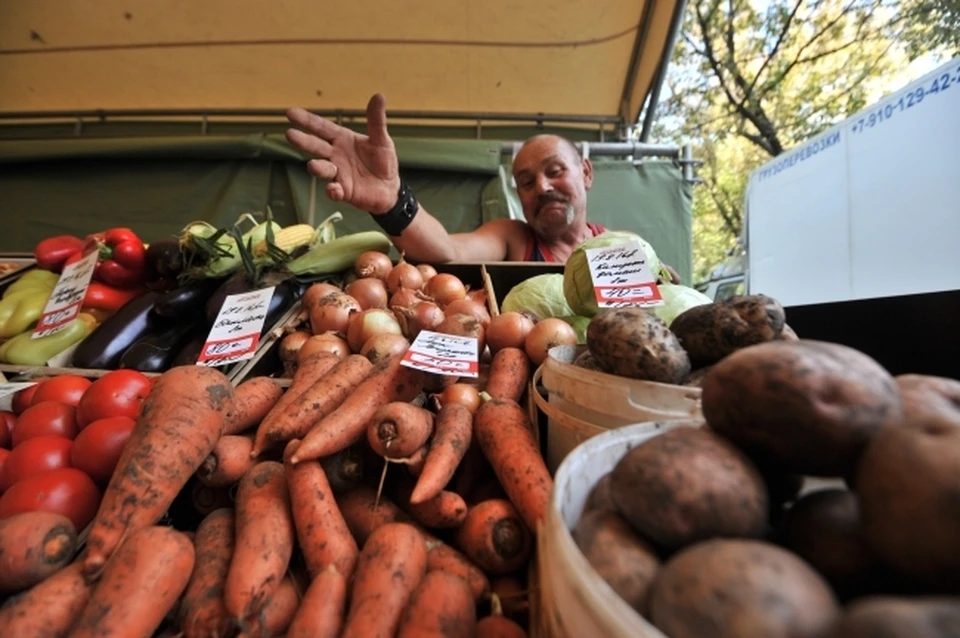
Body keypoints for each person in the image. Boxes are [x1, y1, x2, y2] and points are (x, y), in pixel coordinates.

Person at [286, 94, 680, 279]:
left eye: (555, 171)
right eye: (525, 182)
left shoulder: (620, 246)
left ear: (587, 173)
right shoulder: (514, 239)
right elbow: (448, 252)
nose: (541, 187)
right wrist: (393, 201)